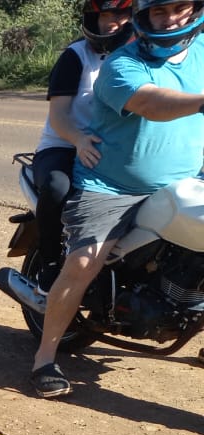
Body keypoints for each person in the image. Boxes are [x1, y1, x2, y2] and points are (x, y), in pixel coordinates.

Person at [30, 0, 204, 398]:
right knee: (84, 262)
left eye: (179, 8)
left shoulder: (201, 51)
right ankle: (45, 357)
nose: (171, 19)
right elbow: (152, 104)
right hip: (113, 185)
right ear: (144, 18)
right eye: (160, 12)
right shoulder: (120, 64)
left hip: (185, 178)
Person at [31, 0, 135, 295]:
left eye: (121, 14)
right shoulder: (75, 56)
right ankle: (49, 262)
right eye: (106, 15)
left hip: (113, 149)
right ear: (93, 19)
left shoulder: (138, 57)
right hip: (63, 145)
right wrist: (78, 140)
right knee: (56, 186)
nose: (113, 22)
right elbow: (59, 115)